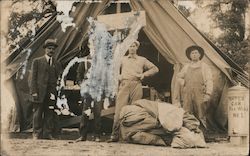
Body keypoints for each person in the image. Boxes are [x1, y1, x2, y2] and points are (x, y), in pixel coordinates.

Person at [108, 40, 159, 142]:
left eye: (134, 46)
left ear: (137, 48)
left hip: (136, 84)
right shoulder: (122, 59)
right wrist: (118, 76)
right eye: (130, 46)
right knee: (119, 110)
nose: (132, 48)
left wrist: (144, 75)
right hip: (124, 84)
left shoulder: (142, 60)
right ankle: (115, 136)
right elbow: (111, 69)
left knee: (134, 111)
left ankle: (130, 137)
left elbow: (155, 69)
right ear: (127, 48)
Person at [30, 38, 62, 139]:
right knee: (38, 113)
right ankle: (36, 133)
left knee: (50, 113)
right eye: (49, 48)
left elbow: (59, 78)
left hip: (51, 93)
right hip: (39, 92)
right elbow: (33, 78)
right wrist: (34, 91)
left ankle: (48, 133)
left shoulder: (57, 63)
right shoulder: (37, 61)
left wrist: (57, 90)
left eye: (53, 49)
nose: (51, 50)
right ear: (45, 49)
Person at [177, 45, 213, 130]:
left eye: (196, 53)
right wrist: (184, 83)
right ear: (190, 56)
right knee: (187, 111)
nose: (194, 55)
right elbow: (179, 77)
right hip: (187, 94)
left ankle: (202, 132)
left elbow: (209, 80)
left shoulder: (204, 66)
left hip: (200, 93)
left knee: (201, 112)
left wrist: (208, 93)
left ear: (199, 55)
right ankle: (189, 131)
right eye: (192, 53)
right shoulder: (186, 67)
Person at [75, 57, 103, 142]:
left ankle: (97, 135)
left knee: (97, 112)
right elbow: (79, 75)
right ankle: (83, 135)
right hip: (87, 89)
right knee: (85, 112)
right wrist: (82, 85)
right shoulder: (84, 61)